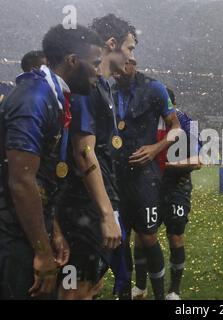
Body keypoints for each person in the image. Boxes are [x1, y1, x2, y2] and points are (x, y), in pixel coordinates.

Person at [0, 24, 102, 299]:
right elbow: (21, 181)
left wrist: (53, 233)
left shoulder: (53, 96)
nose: (98, 72)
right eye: (95, 63)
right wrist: (42, 253)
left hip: (30, 233)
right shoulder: (34, 98)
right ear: (72, 61)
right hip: (12, 237)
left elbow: (42, 180)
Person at [56, 14, 136, 300]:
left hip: (94, 205)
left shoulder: (104, 86)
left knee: (92, 285)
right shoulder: (87, 87)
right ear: (111, 44)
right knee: (76, 290)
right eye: (130, 48)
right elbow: (84, 152)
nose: (131, 56)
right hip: (82, 208)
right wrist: (105, 214)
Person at [112, 57, 180, 300]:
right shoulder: (107, 90)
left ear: (132, 61)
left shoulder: (154, 88)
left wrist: (155, 148)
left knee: (148, 236)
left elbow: (176, 127)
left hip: (145, 178)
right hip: (114, 178)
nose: (117, 72)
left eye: (123, 65)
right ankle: (124, 293)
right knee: (119, 238)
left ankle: (160, 295)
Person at [156, 87, 201, 300]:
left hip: (177, 186)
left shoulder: (187, 123)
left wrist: (165, 165)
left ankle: (174, 289)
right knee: (144, 235)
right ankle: (139, 286)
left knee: (175, 236)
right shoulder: (146, 120)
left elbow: (197, 161)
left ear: (172, 105)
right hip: (151, 186)